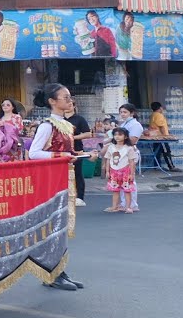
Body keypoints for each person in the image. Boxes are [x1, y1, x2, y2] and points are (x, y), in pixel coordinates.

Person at [28, 83, 91, 291]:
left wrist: (79, 156)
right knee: (53, 226)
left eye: (69, 96)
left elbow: (67, 152)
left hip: (65, 177)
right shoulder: (47, 125)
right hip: (51, 181)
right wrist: (63, 156)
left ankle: (59, 270)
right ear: (52, 101)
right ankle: (52, 273)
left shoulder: (66, 124)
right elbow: (34, 153)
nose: (69, 99)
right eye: (65, 96)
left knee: (61, 226)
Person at [65, 101, 94, 208]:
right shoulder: (60, 119)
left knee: (77, 172)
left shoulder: (79, 119)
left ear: (74, 106)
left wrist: (73, 137)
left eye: (70, 104)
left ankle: (80, 197)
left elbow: (87, 133)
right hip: (62, 149)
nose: (68, 106)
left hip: (76, 148)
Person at [116, 104, 144, 211]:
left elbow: (133, 140)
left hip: (130, 153)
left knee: (129, 179)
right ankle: (124, 203)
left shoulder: (135, 125)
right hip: (121, 152)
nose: (122, 114)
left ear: (132, 113)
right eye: (121, 112)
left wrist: (117, 139)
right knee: (122, 179)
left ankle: (132, 204)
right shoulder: (125, 124)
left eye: (125, 112)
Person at [103, 127, 137, 213]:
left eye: (120, 135)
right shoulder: (111, 147)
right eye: (115, 135)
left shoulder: (129, 148)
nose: (117, 137)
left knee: (127, 190)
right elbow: (108, 159)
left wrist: (131, 174)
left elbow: (131, 162)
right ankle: (114, 206)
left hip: (125, 171)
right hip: (114, 171)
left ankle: (128, 207)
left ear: (125, 137)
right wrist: (107, 171)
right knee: (115, 190)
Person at [0, 99, 24, 163]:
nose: (5, 106)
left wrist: (5, 125)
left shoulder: (17, 117)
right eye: (3, 105)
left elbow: (19, 130)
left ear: (13, 107)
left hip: (13, 146)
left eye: (8, 105)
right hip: (0, 147)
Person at [148, 101, 177, 171]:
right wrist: (165, 136)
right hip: (161, 137)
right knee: (166, 151)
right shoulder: (159, 115)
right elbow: (161, 126)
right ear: (160, 108)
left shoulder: (153, 115)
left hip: (156, 137)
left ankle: (157, 166)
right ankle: (171, 166)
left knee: (157, 152)